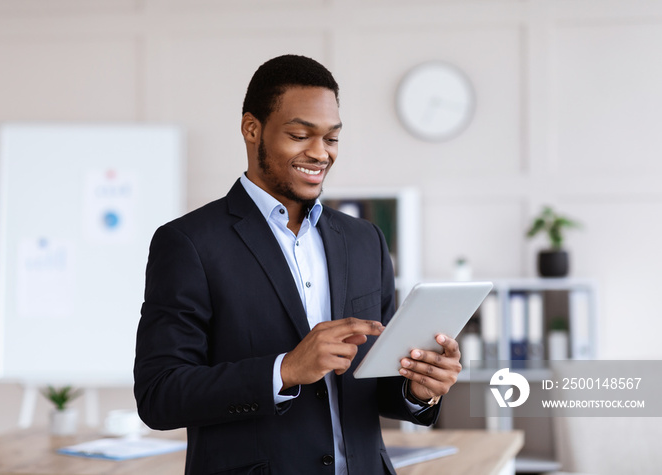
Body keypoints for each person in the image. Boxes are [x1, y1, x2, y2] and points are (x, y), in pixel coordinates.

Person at [134, 54, 462, 475]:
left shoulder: (365, 241)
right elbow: (159, 396)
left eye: (332, 138)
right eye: (299, 134)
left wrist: (418, 389)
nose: (319, 153)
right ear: (252, 129)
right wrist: (285, 370)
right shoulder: (189, 243)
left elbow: (374, 385)